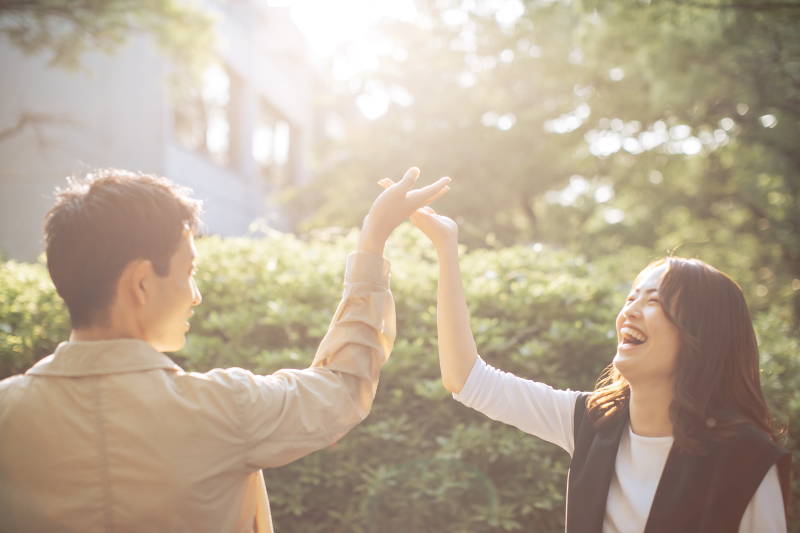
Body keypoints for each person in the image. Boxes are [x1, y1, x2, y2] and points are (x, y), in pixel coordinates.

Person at [0, 167, 449, 533]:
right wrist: (372, 239)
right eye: (188, 271)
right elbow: (343, 388)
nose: (195, 295)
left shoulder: (8, 412)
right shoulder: (225, 408)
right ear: (141, 284)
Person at [395, 196, 791, 533]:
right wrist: (446, 247)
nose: (629, 311)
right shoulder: (592, 422)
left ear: (701, 334)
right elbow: (466, 379)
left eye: (654, 301)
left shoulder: (746, 463)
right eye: (632, 297)